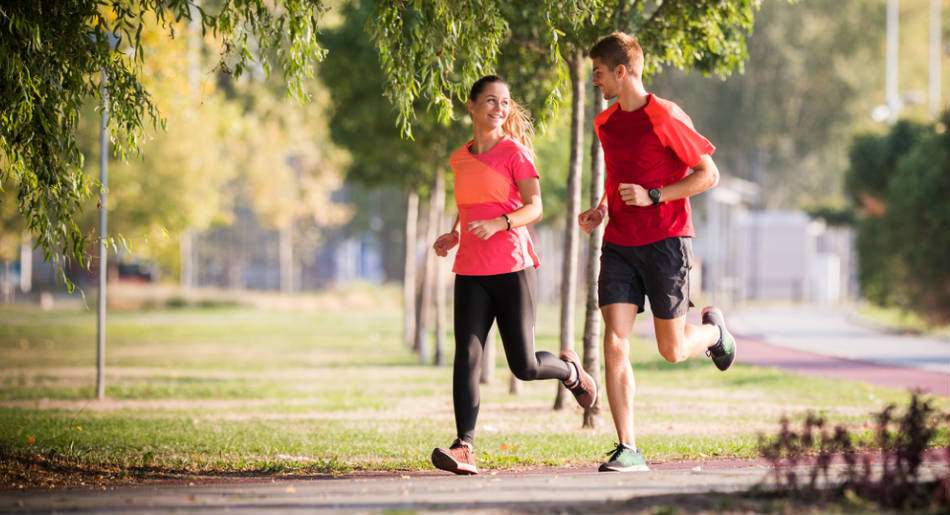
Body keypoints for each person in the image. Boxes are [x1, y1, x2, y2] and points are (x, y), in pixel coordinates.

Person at [578, 32, 737, 473]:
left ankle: (715, 334)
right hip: (620, 244)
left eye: (600, 73)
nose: (596, 81)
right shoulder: (605, 123)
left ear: (622, 72)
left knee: (672, 350)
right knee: (615, 339)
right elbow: (617, 177)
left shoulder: (664, 116)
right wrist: (601, 209)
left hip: (667, 241)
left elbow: (709, 174)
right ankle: (628, 446)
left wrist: (655, 195)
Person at [430, 75, 597, 475]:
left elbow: (534, 207)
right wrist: (454, 232)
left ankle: (571, 372)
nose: (499, 109)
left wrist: (502, 223)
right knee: (466, 355)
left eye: (504, 102)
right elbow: (471, 204)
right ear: (470, 106)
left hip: (512, 267)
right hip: (470, 268)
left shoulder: (515, 152)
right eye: (490, 101)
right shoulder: (459, 157)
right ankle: (464, 446)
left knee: (523, 364)